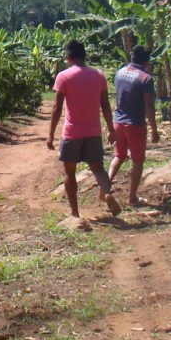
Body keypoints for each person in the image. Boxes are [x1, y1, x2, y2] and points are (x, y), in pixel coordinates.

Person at [47, 40, 121, 217]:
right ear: (84, 56)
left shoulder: (64, 76)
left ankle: (74, 213)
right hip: (93, 132)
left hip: (72, 133)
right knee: (98, 168)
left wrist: (50, 134)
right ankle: (107, 193)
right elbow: (105, 105)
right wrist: (111, 129)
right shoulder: (98, 75)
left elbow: (57, 107)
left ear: (68, 57)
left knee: (70, 172)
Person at [108, 45, 161, 206]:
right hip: (135, 125)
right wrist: (154, 130)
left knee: (119, 156)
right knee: (138, 161)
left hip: (118, 122)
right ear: (147, 61)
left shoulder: (120, 73)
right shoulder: (146, 78)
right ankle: (132, 198)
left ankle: (105, 188)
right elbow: (149, 107)